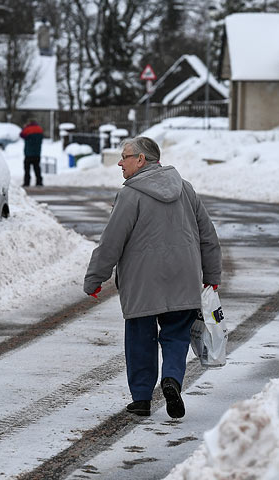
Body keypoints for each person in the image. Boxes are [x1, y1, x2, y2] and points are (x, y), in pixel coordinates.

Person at [83, 136, 221, 419]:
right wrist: (212, 274)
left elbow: (111, 242)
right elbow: (208, 235)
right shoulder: (186, 189)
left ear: (141, 160)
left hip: (142, 282)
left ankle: (142, 399)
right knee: (176, 336)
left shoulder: (130, 195)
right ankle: (171, 379)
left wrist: (95, 278)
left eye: (125, 157)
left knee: (140, 339)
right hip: (184, 278)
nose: (120, 163)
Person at [20, 119, 44, 187]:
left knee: (27, 169)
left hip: (28, 153)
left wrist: (25, 127)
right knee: (37, 168)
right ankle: (39, 182)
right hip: (37, 153)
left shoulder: (27, 129)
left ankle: (27, 182)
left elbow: (21, 135)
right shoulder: (39, 129)